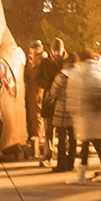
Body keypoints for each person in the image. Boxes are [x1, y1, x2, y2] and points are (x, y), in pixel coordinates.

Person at [68, 49, 101, 185]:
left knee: (85, 145)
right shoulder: (98, 74)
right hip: (98, 116)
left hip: (84, 116)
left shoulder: (78, 74)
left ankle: (81, 176)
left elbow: (72, 96)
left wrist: (73, 112)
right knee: (99, 146)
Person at [35, 38, 65, 167]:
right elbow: (38, 78)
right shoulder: (45, 63)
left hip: (63, 100)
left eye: (58, 51)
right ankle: (48, 154)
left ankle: (63, 157)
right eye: (54, 50)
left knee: (63, 131)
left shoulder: (66, 62)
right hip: (49, 100)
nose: (56, 53)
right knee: (49, 129)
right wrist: (46, 84)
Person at [48, 53, 77, 173]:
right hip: (74, 111)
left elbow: (53, 92)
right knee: (73, 139)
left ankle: (62, 164)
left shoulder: (61, 76)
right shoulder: (79, 76)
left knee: (61, 138)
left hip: (62, 110)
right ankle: (71, 163)